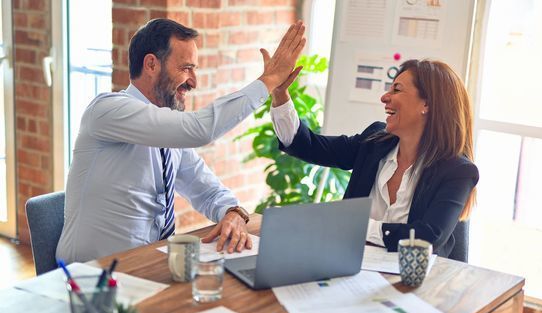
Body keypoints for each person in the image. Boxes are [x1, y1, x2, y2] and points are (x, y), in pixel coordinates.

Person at [56, 18, 305, 263]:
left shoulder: (168, 134)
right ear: (151, 64)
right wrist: (269, 80)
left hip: (148, 267)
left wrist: (233, 212)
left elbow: (207, 190)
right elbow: (200, 129)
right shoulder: (107, 110)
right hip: (90, 278)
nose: (193, 82)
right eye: (186, 68)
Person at [270, 59, 478, 258]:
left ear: (427, 104)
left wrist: (356, 225)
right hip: (349, 267)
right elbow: (308, 146)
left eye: (396, 89)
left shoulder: (458, 171)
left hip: (413, 283)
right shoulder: (375, 142)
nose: (385, 97)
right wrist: (280, 94)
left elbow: (427, 238)